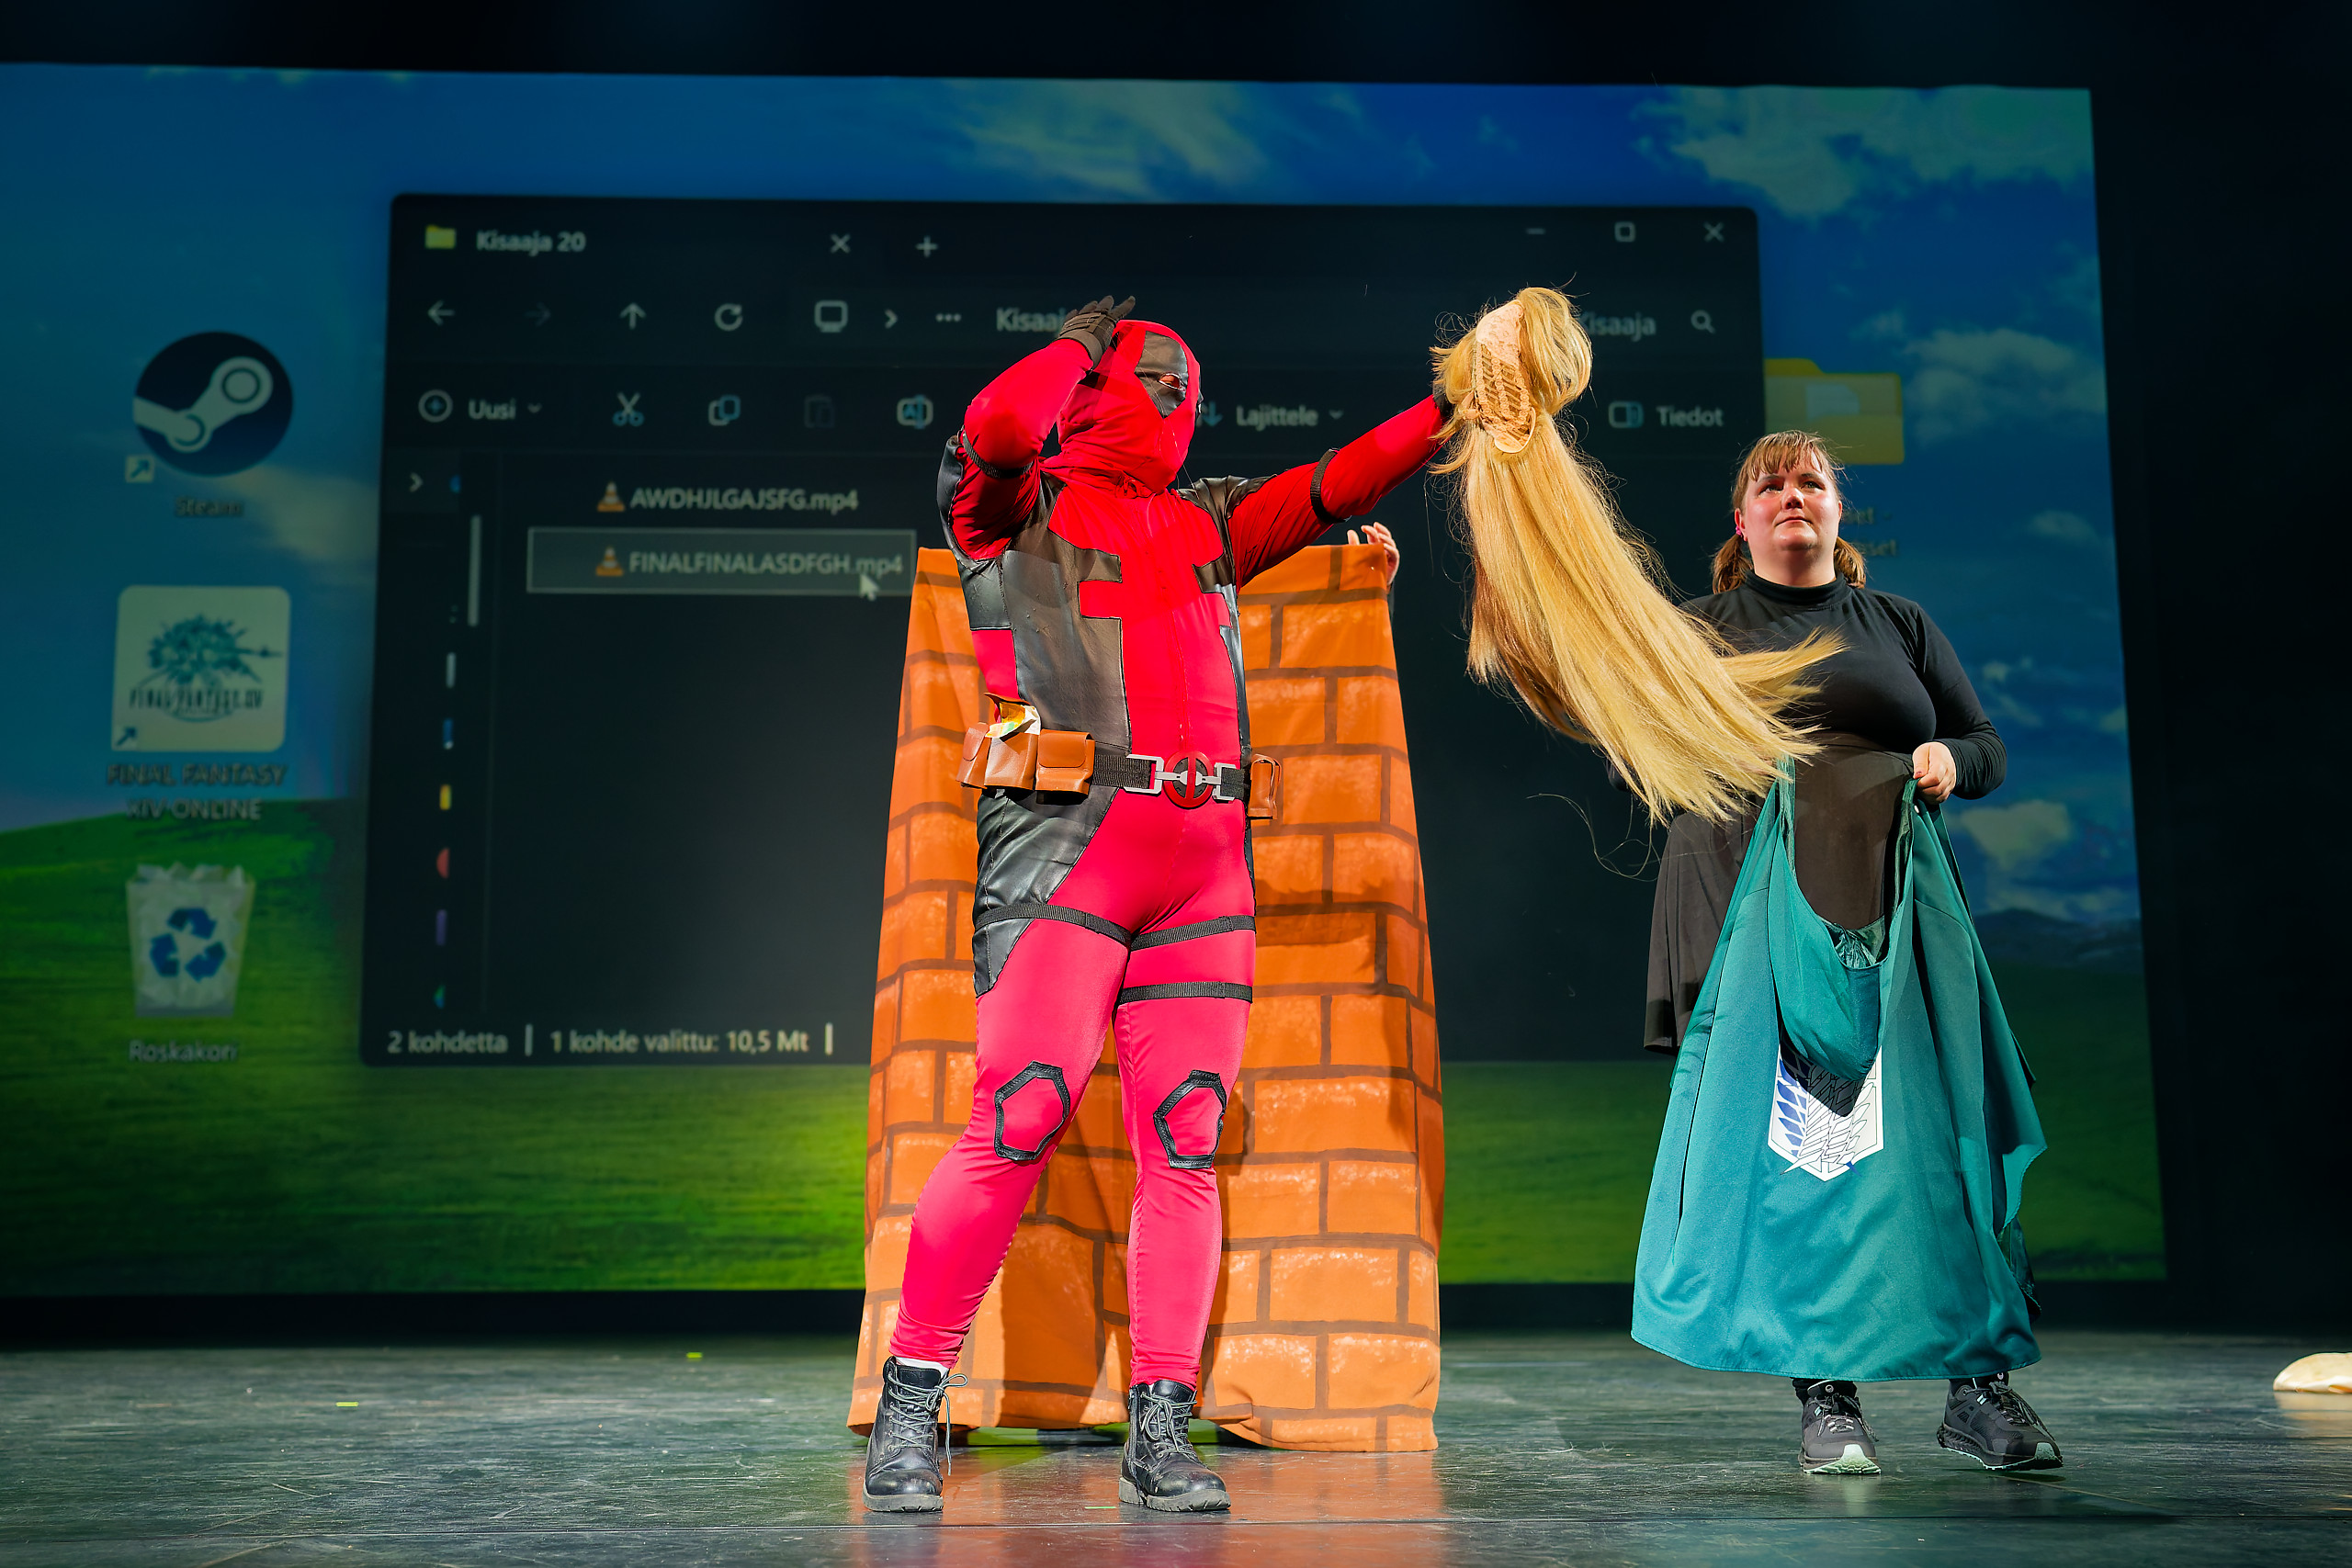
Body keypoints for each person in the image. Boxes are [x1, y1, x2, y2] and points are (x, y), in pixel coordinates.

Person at [863, 296, 1436, 1514]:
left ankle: (1160, 1426)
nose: (1174, 393)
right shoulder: (1004, 502)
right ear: (1090, 386)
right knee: (1021, 1111)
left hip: (1205, 871)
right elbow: (997, 422)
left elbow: (1341, 479)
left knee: (1184, 1135)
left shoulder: (1209, 520)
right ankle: (913, 1397)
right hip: (1062, 857)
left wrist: (1452, 407)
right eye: (1149, 371)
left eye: (1187, 378)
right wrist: (1079, 344)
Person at [1630, 430, 2064, 1476]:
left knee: (1940, 1141)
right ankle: (1828, 1396)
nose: (1793, 495)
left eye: (1811, 482)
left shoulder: (1896, 622)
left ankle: (1977, 1390)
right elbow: (1638, 746)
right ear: (1741, 522)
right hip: (1757, 909)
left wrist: (1946, 756)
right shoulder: (1697, 631)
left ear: (1836, 511)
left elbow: (1987, 745)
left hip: (1895, 904)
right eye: (1770, 484)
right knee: (1807, 1154)